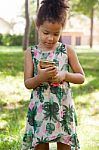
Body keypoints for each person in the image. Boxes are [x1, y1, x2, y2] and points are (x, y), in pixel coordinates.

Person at [22, 0, 85, 150]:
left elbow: (81, 77)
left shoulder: (67, 50)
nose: (50, 38)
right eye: (46, 33)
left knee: (64, 144)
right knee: (40, 144)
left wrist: (65, 75)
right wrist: (40, 78)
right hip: (40, 108)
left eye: (56, 34)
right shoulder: (31, 53)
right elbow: (27, 83)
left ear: (62, 30)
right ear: (37, 27)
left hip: (63, 107)